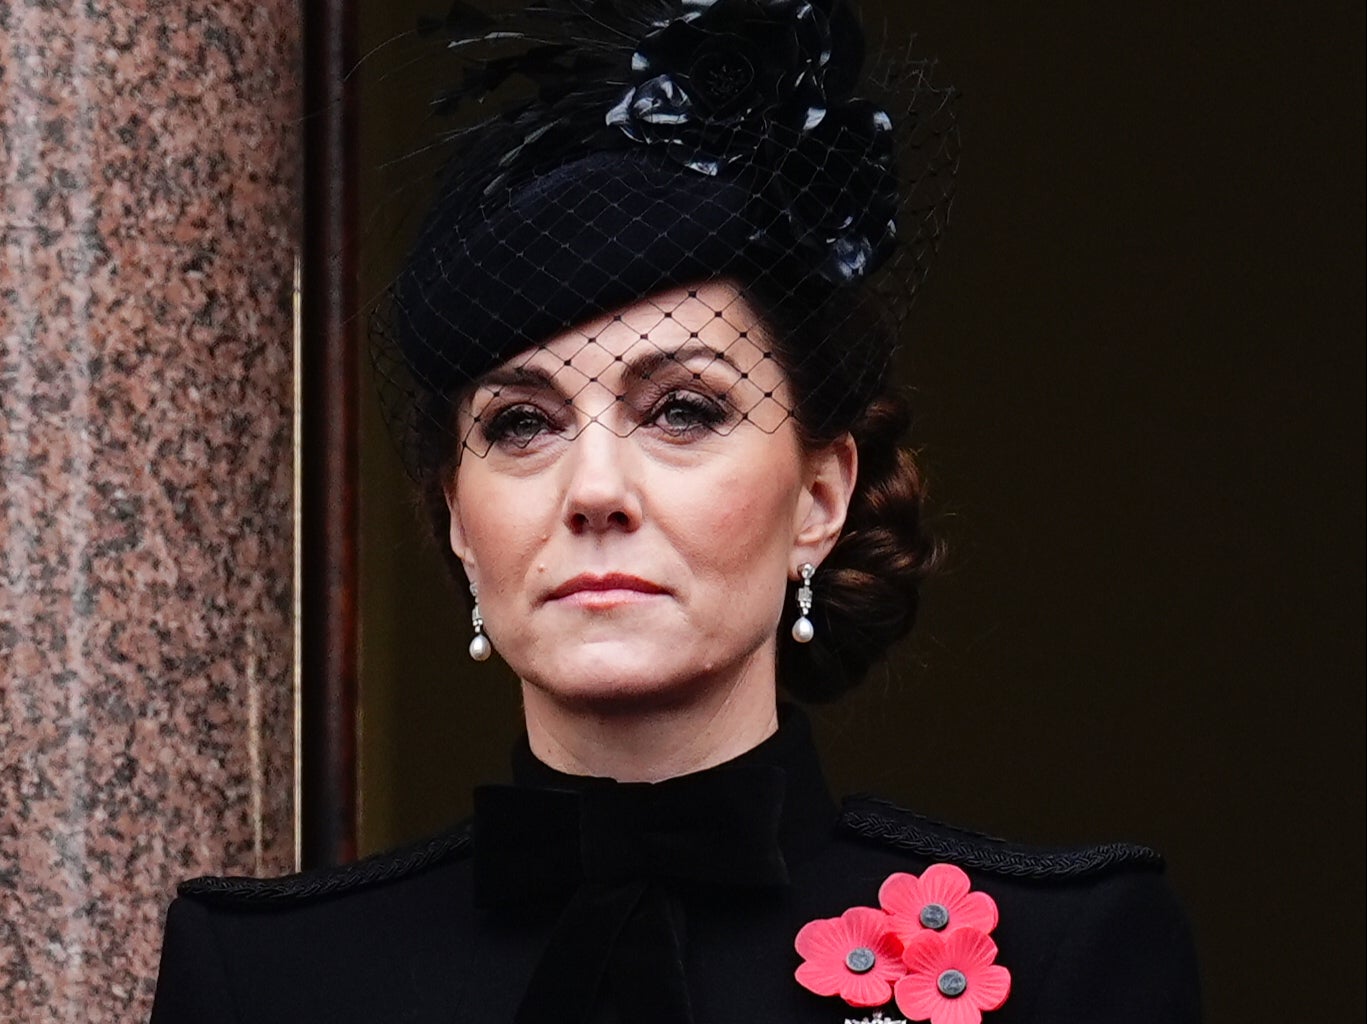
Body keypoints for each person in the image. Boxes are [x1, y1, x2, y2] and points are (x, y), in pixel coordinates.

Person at [150, 1, 1201, 1021]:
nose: (595, 490)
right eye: (521, 423)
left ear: (819, 498)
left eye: (684, 410)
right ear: (459, 520)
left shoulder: (1060, 958)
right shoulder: (271, 979)